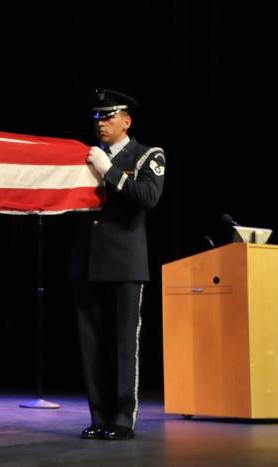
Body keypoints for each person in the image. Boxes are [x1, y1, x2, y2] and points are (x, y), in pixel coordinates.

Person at [74, 88, 165, 440]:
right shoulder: (84, 156)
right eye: (97, 116)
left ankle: (123, 419)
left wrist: (109, 170)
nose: (101, 122)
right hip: (87, 261)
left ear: (126, 121)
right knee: (92, 343)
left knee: (125, 342)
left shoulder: (147, 155)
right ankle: (99, 416)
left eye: (109, 116)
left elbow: (147, 197)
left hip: (125, 262)